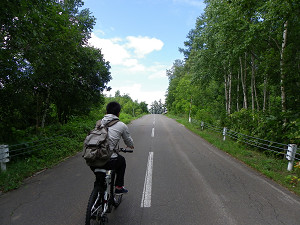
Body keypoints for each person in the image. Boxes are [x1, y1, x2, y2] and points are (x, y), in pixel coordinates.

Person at [90, 101, 134, 194]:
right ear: (118, 113)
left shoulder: (99, 123)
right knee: (121, 161)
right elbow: (128, 141)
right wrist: (130, 145)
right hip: (109, 160)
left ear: (106, 112)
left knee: (99, 177)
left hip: (92, 157)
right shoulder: (121, 125)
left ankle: (97, 192)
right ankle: (118, 187)